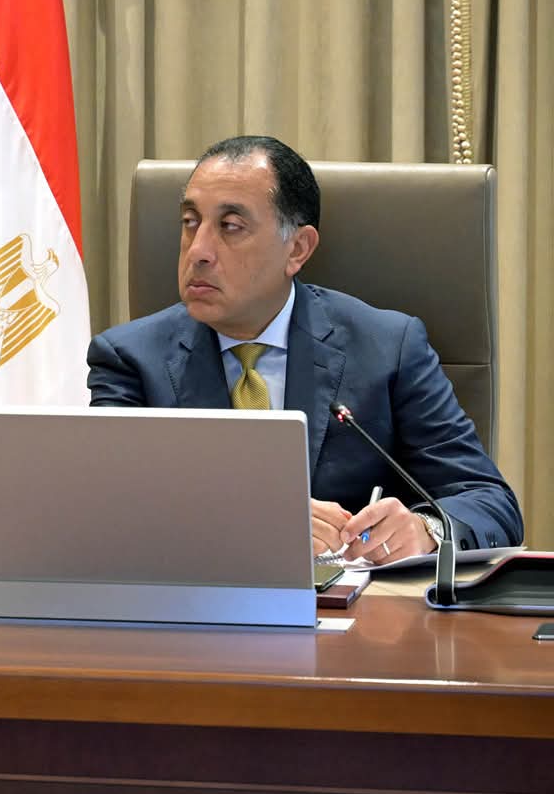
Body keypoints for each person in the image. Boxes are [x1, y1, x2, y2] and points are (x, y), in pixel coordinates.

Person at [87, 135, 523, 561]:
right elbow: (104, 515)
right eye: (190, 222)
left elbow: (487, 502)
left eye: (230, 226)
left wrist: (426, 530)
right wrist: (261, 522)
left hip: (357, 606)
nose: (198, 250)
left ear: (297, 249)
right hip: (195, 602)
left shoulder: (389, 347)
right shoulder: (130, 359)